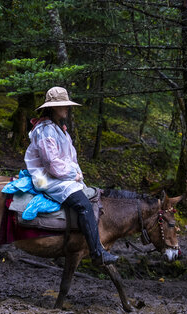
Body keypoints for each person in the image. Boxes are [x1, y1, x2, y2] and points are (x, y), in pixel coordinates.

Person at [24, 86, 118, 266]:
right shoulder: (45, 130)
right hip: (48, 178)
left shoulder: (59, 129)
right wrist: (71, 174)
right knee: (83, 206)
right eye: (63, 105)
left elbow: (69, 157)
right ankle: (97, 253)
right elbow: (51, 163)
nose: (67, 108)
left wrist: (77, 172)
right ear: (52, 107)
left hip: (62, 177)